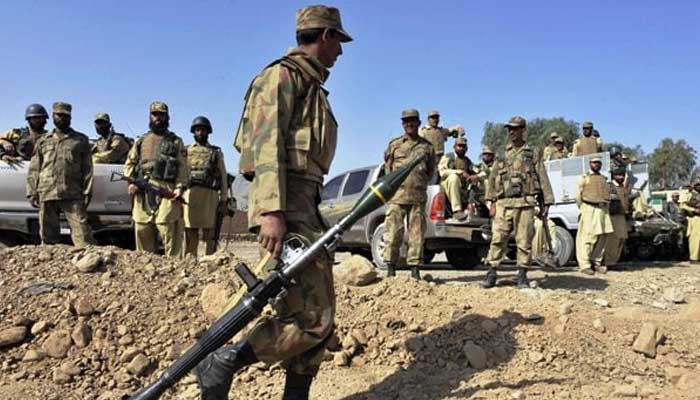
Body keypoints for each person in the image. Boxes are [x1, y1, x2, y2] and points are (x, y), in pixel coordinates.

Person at [195, 6, 353, 400]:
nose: (341, 52)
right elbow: (265, 147)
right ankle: (227, 358)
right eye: (339, 42)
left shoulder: (311, 85)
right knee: (315, 319)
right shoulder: (281, 77)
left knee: (316, 317)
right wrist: (271, 211)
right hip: (288, 204)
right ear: (326, 35)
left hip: (306, 204)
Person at [481, 116, 554, 289]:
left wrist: (548, 200)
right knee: (498, 238)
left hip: (525, 202)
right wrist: (490, 200)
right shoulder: (501, 152)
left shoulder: (532, 152)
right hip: (504, 203)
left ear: (523, 130)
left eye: (516, 128)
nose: (512, 132)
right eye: (510, 129)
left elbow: (541, 176)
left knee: (524, 241)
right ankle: (491, 272)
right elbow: (493, 178)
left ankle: (521, 275)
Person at [123, 101, 188, 257]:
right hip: (142, 191)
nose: (158, 118)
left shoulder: (176, 142)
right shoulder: (141, 141)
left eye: (161, 114)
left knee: (169, 230)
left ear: (167, 117)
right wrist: (131, 182)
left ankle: (175, 269)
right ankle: (145, 272)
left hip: (166, 190)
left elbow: (183, 169)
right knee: (142, 230)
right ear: (150, 116)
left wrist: (179, 188)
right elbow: (129, 164)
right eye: (155, 114)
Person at [26, 102, 95, 247]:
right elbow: (35, 168)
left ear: (70, 117)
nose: (62, 118)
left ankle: (87, 263)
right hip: (47, 191)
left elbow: (88, 168)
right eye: (59, 115)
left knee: (82, 234)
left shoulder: (80, 140)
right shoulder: (44, 140)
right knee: (47, 235)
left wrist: (88, 191)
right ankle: (49, 266)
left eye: (65, 115)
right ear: (52, 116)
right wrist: (31, 191)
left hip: (72, 191)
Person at [383, 109, 436, 278]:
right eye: (406, 121)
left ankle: (415, 270)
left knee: (417, 235)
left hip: (417, 198)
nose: (409, 124)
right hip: (397, 197)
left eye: (413, 120)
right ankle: (391, 269)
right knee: (393, 233)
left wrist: (418, 183)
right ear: (402, 124)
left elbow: (431, 172)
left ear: (419, 123)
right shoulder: (395, 145)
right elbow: (388, 170)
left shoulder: (427, 147)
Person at [183, 116, 228, 257]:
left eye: (203, 130)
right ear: (193, 132)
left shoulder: (216, 152)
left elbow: (223, 176)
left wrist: (224, 199)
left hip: (210, 197)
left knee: (210, 235)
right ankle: (190, 264)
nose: (200, 133)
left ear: (208, 132)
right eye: (197, 130)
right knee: (190, 234)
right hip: (190, 196)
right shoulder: (186, 151)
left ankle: (210, 263)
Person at [575, 157, 613, 274]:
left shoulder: (603, 178)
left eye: (598, 163)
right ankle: (585, 265)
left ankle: (596, 262)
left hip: (602, 210)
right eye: (594, 162)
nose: (596, 164)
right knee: (587, 237)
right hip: (589, 209)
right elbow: (578, 196)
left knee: (602, 236)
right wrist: (583, 209)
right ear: (590, 164)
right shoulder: (584, 178)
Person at [438, 137, 478, 221]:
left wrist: (476, 176)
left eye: (464, 146)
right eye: (459, 146)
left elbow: (478, 171)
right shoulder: (449, 156)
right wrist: (459, 172)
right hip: (447, 185)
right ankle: (457, 210)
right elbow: (442, 172)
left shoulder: (467, 161)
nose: (462, 148)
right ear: (454, 147)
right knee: (453, 177)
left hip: (462, 188)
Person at [604, 167, 630, 267]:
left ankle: (614, 261)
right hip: (613, 216)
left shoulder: (622, 187)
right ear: (614, 176)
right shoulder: (610, 186)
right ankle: (609, 262)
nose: (621, 177)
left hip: (622, 215)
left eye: (622, 175)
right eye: (619, 175)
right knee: (612, 241)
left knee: (621, 239)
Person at [680, 180, 700, 264]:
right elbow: (682, 205)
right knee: (695, 239)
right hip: (695, 218)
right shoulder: (689, 194)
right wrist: (694, 209)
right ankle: (694, 258)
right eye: (697, 184)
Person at [472, 146, 495, 217]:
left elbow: (489, 173)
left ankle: (490, 206)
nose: (487, 156)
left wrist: (477, 176)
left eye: (489, 154)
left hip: (491, 192)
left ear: (492, 156)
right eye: (485, 154)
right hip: (478, 192)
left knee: (487, 181)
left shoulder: (495, 165)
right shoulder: (478, 166)